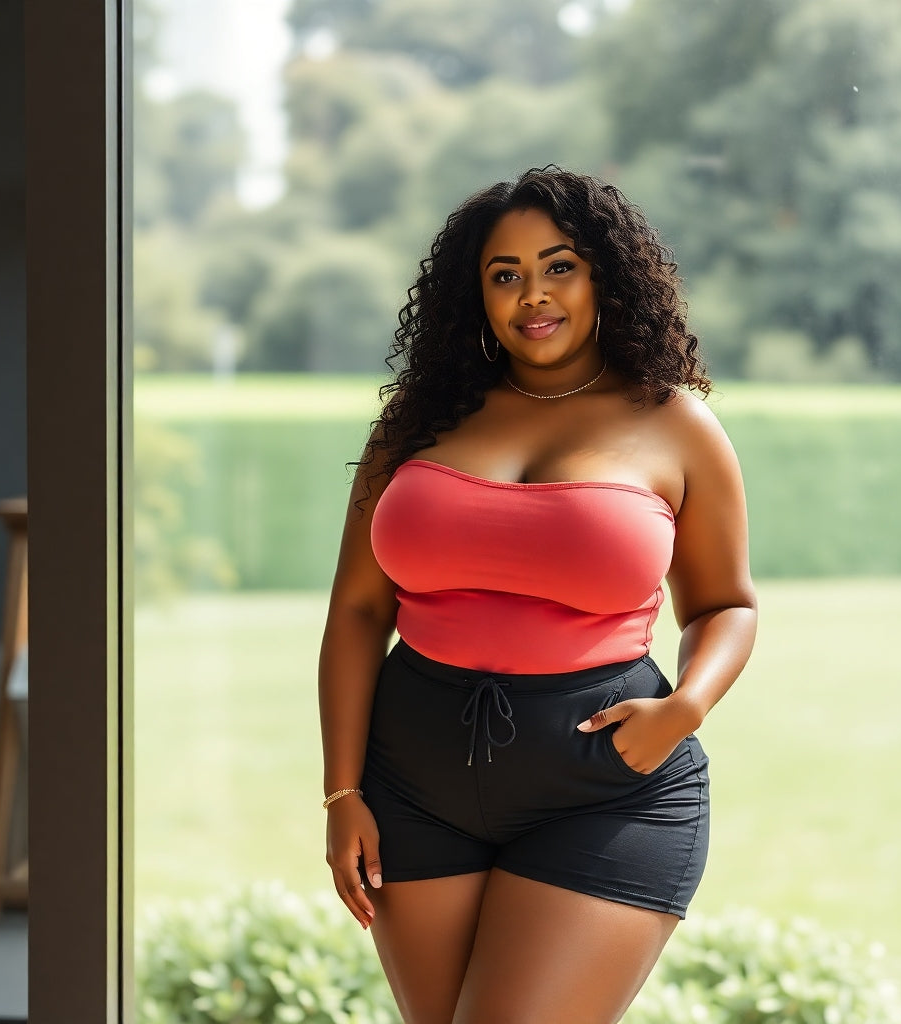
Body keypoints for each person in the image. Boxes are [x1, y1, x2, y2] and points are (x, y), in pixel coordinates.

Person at [318, 166, 757, 1024]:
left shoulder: (673, 422)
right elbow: (359, 612)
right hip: (411, 787)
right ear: (475, 294)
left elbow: (724, 606)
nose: (533, 296)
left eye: (559, 267)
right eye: (505, 274)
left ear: (604, 276)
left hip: (606, 787)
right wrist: (342, 794)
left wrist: (689, 706)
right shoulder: (417, 420)